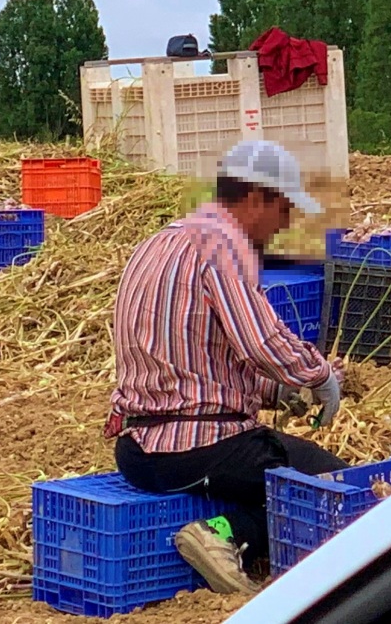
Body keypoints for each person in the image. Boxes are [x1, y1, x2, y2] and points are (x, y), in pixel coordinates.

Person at [104, 140, 346, 595]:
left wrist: (276, 394)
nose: (287, 223)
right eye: (285, 209)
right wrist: (317, 376)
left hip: (138, 449)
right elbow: (264, 343)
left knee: (280, 475)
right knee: (331, 486)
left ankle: (229, 530)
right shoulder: (224, 247)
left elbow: (196, 360)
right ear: (256, 198)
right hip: (198, 446)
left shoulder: (161, 242)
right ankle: (224, 533)